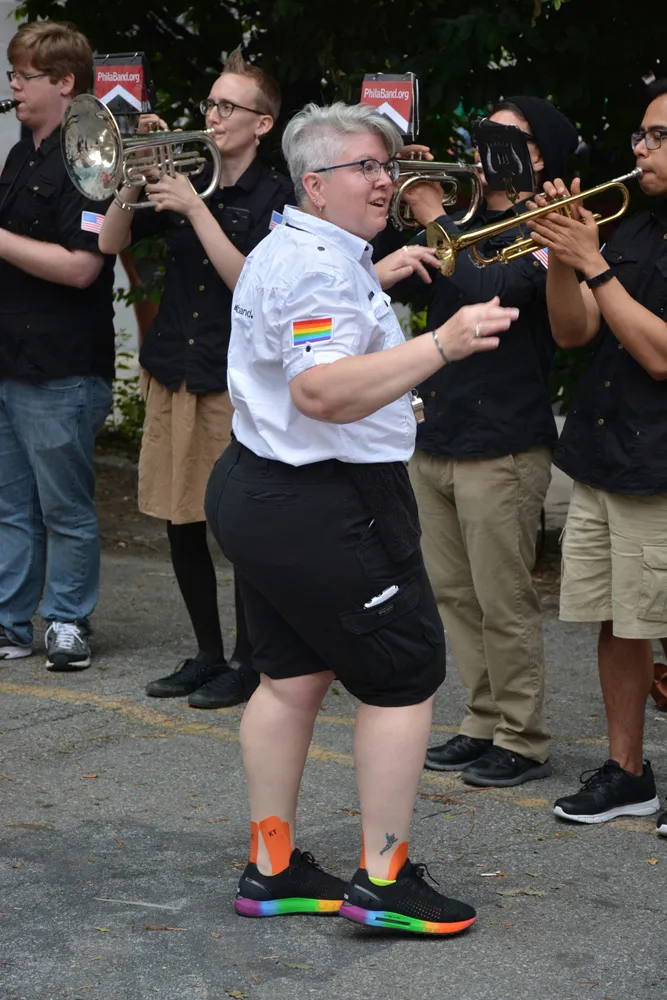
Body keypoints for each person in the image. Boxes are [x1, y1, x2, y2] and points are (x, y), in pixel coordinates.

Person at [205, 101, 519, 932]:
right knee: (403, 676)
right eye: (365, 169)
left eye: (386, 166)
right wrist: (442, 343)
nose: (385, 181)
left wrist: (371, 280)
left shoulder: (296, 246)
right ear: (314, 185)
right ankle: (383, 882)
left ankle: (272, 867)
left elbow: (307, 341)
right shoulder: (317, 267)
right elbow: (319, 390)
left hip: (261, 486)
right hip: (325, 501)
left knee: (289, 678)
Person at [99, 48, 294, 709]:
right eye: (209, 103)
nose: (211, 115)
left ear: (261, 124)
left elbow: (254, 286)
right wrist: (133, 177)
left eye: (226, 106)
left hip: (231, 381)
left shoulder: (276, 197)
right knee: (178, 519)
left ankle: (248, 661)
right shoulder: (185, 177)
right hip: (174, 370)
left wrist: (194, 207)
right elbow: (108, 243)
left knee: (237, 527)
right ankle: (208, 653)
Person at [396, 98, 579, 786]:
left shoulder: (547, 226)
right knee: (453, 594)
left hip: (503, 442)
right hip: (437, 432)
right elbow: (390, 269)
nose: (484, 144)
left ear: (538, 156)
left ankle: (522, 737)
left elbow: (492, 291)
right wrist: (402, 199)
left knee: (503, 601)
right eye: (483, 132)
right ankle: (480, 721)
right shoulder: (462, 217)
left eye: (507, 135)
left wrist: (431, 214)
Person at [528, 79, 667, 838]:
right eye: (641, 134)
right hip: (605, 453)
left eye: (658, 136)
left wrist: (595, 264)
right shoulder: (636, 226)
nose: (640, 148)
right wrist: (561, 256)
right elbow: (573, 331)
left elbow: (660, 356)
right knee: (618, 619)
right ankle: (627, 772)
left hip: (660, 465)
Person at [0, 21, 115, 670]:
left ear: (65, 82)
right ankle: (10, 623)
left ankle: (68, 621)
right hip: (9, 360)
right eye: (13, 75)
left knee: (64, 509)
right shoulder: (21, 155)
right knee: (11, 508)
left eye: (25, 76)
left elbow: (81, 268)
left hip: (61, 366)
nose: (14, 86)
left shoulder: (91, 162)